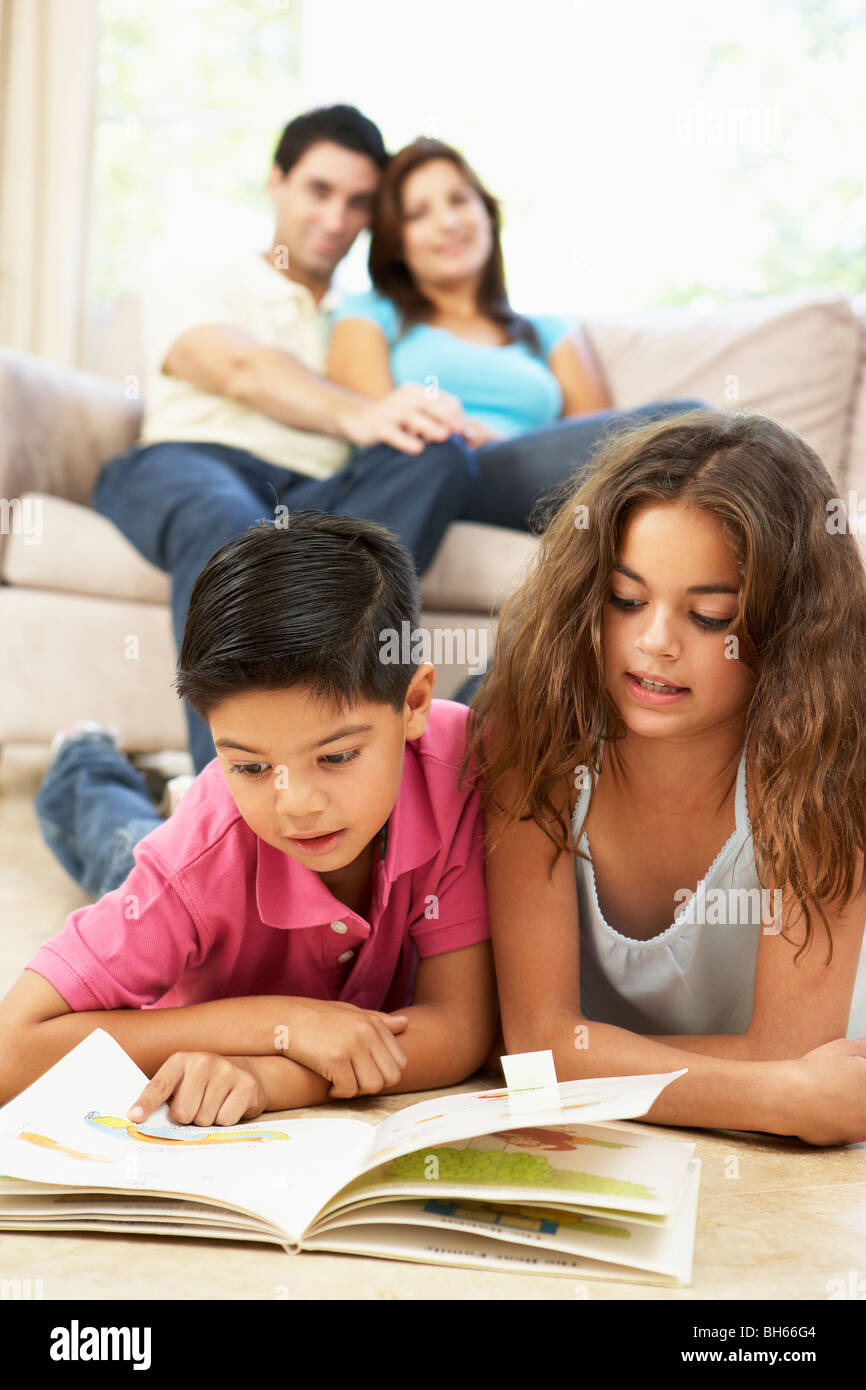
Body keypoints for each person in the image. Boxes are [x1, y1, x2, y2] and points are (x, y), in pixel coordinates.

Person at [2, 512, 497, 1123]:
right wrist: (282, 1022)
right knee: (119, 847)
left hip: (216, 845)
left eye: (336, 756)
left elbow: (459, 1026)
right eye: (250, 765)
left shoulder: (457, 769)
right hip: (203, 854)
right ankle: (83, 756)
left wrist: (273, 1077)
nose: (296, 804)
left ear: (415, 703)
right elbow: (11, 1052)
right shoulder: (195, 862)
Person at [461, 408, 866, 1148]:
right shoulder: (537, 742)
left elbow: (793, 1055)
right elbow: (536, 1051)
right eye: (626, 599)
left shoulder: (828, 767)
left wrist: (585, 1066)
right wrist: (777, 1098)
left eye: (711, 617)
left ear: (789, 629)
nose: (654, 644)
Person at [92, 109, 481, 775]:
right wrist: (358, 414)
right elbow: (232, 365)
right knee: (230, 528)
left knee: (440, 457)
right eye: (319, 191)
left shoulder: (363, 315)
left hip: (315, 494)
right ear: (277, 180)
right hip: (189, 462)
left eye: (358, 203)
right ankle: (222, 791)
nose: (336, 220)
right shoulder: (204, 273)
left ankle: (349, 738)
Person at [327, 137, 706, 534]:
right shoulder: (370, 312)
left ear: (487, 214)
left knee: (694, 433)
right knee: (684, 423)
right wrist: (475, 436)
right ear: (396, 243)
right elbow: (379, 427)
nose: (448, 222)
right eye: (418, 213)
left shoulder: (551, 332)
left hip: (539, 479)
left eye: (459, 200)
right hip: (441, 471)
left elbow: (603, 445)